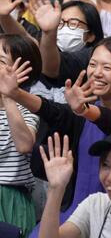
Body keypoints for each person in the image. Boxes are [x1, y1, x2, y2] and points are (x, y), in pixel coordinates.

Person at [0, 36, 111, 232]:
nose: (97, 73)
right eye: (93, 65)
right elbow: (53, 110)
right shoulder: (80, 114)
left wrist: (85, 110)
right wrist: (14, 93)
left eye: (107, 68)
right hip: (74, 215)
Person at [0, 33, 41, 237]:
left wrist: (8, 97)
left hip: (11, 199)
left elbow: (24, 145)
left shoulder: (27, 109)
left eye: (0, 61)